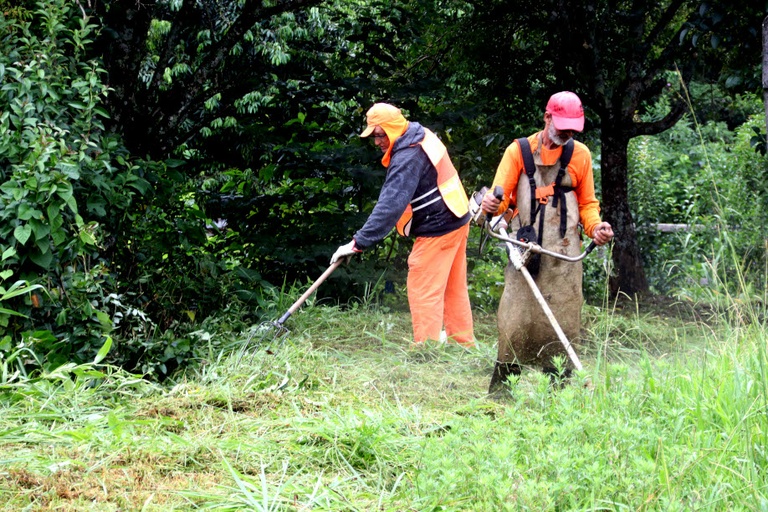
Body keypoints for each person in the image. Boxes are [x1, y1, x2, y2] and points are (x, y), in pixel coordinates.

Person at [480, 91, 614, 391]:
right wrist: (491, 206)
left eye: (572, 128)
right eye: (562, 125)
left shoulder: (580, 155)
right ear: (547, 117)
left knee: (563, 324)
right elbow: (500, 200)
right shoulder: (518, 152)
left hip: (565, 255)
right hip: (525, 253)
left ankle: (559, 395)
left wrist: (596, 229)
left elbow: (588, 204)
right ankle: (502, 391)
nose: (567, 133)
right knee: (515, 320)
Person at [331, 103, 475, 347]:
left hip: (439, 227)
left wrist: (357, 243)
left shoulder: (408, 155)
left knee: (422, 286)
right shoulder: (420, 134)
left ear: (392, 128)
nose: (377, 142)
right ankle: (462, 344)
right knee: (453, 288)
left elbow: (390, 205)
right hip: (457, 217)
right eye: (373, 137)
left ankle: (426, 349)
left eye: (379, 135)